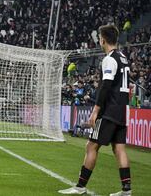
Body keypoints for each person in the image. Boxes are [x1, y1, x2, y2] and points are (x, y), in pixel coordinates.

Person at [58, 25, 132, 196]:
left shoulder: (110, 59)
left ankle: (80, 186)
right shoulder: (123, 57)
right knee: (119, 148)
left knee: (91, 146)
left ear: (103, 39)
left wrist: (95, 111)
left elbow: (105, 86)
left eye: (99, 37)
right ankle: (126, 190)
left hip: (110, 111)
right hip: (122, 110)